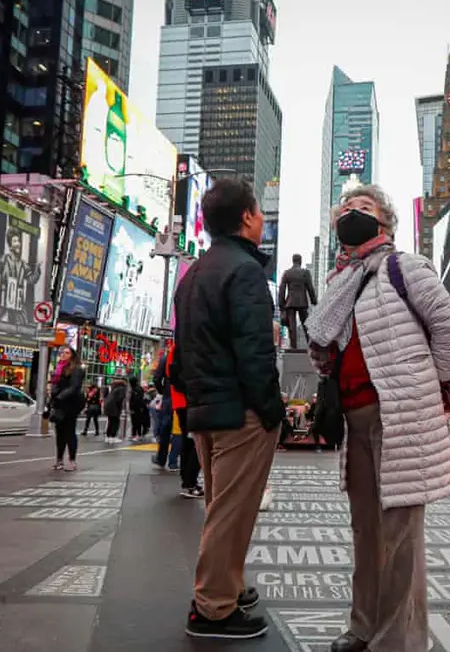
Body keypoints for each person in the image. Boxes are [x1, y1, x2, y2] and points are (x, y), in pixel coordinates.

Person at [305, 184, 450, 652]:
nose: (352, 213)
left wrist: (427, 381)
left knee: (400, 534)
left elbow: (449, 326)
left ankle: (398, 642)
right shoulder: (339, 283)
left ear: (385, 222)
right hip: (354, 417)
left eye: (364, 207)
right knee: (366, 530)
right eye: (346, 209)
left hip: (400, 415)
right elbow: (328, 347)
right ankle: (363, 627)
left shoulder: (403, 267)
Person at [174, 178, 285, 639]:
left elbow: (180, 352)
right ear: (245, 218)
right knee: (231, 512)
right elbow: (255, 350)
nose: (262, 220)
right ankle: (213, 608)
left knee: (223, 507)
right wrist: (272, 410)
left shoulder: (194, 273)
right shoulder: (244, 272)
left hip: (205, 409)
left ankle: (229, 586)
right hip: (241, 412)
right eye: (258, 213)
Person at [152, 342, 187, 472]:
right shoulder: (189, 355)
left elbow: (157, 378)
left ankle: (161, 458)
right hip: (183, 397)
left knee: (165, 429)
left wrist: (162, 391)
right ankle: (173, 461)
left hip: (169, 395)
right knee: (179, 430)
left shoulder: (166, 358)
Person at [49, 346, 85, 471]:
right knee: (59, 433)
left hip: (71, 403)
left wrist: (60, 396)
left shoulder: (77, 369)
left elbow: (74, 387)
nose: (63, 354)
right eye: (62, 352)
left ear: (72, 355)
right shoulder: (59, 367)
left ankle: (72, 460)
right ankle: (59, 460)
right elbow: (55, 385)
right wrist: (52, 399)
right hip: (59, 403)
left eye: (67, 353)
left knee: (69, 432)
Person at [278, 253, 317, 350]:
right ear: (300, 261)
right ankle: (310, 345)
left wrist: (282, 305)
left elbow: (282, 290)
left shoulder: (287, 273)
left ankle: (293, 346)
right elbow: (310, 288)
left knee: (292, 325)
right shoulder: (305, 272)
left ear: (293, 261)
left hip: (290, 302)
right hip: (302, 302)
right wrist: (314, 301)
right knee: (306, 324)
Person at [103, 379, 127, 443]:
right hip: (114, 407)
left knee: (110, 422)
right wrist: (119, 408)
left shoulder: (114, 388)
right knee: (115, 422)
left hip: (108, 406)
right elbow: (120, 399)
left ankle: (108, 437)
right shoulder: (122, 388)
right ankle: (112, 437)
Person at [127, 377, 148, 442]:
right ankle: (134, 435)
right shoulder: (135, 388)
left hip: (137, 408)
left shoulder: (137, 389)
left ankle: (138, 435)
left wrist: (132, 408)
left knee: (137, 422)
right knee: (134, 422)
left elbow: (137, 400)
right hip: (136, 408)